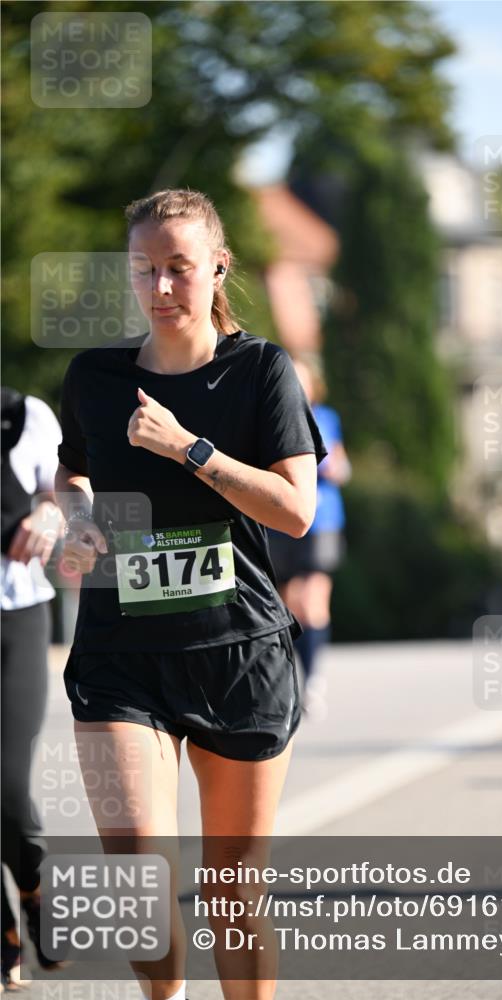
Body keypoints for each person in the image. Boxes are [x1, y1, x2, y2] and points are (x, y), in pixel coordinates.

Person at [54, 189, 326, 1000]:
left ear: (217, 267)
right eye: (146, 270)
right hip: (119, 654)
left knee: (230, 891)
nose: (162, 287)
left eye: (179, 268)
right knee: (137, 872)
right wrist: (76, 521)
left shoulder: (260, 371)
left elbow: (296, 510)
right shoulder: (96, 377)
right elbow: (73, 473)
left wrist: (190, 448)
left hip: (235, 651)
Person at [1, 386, 64, 987]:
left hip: (14, 618)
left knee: (7, 782)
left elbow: (74, 493)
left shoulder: (26, 418)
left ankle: (34, 890)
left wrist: (52, 511)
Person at [268, 358, 350, 719]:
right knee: (289, 603)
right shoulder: (270, 418)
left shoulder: (325, 418)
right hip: (281, 519)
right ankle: (298, 677)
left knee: (311, 597)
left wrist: (330, 466)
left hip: (321, 521)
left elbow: (342, 467)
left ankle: (314, 678)